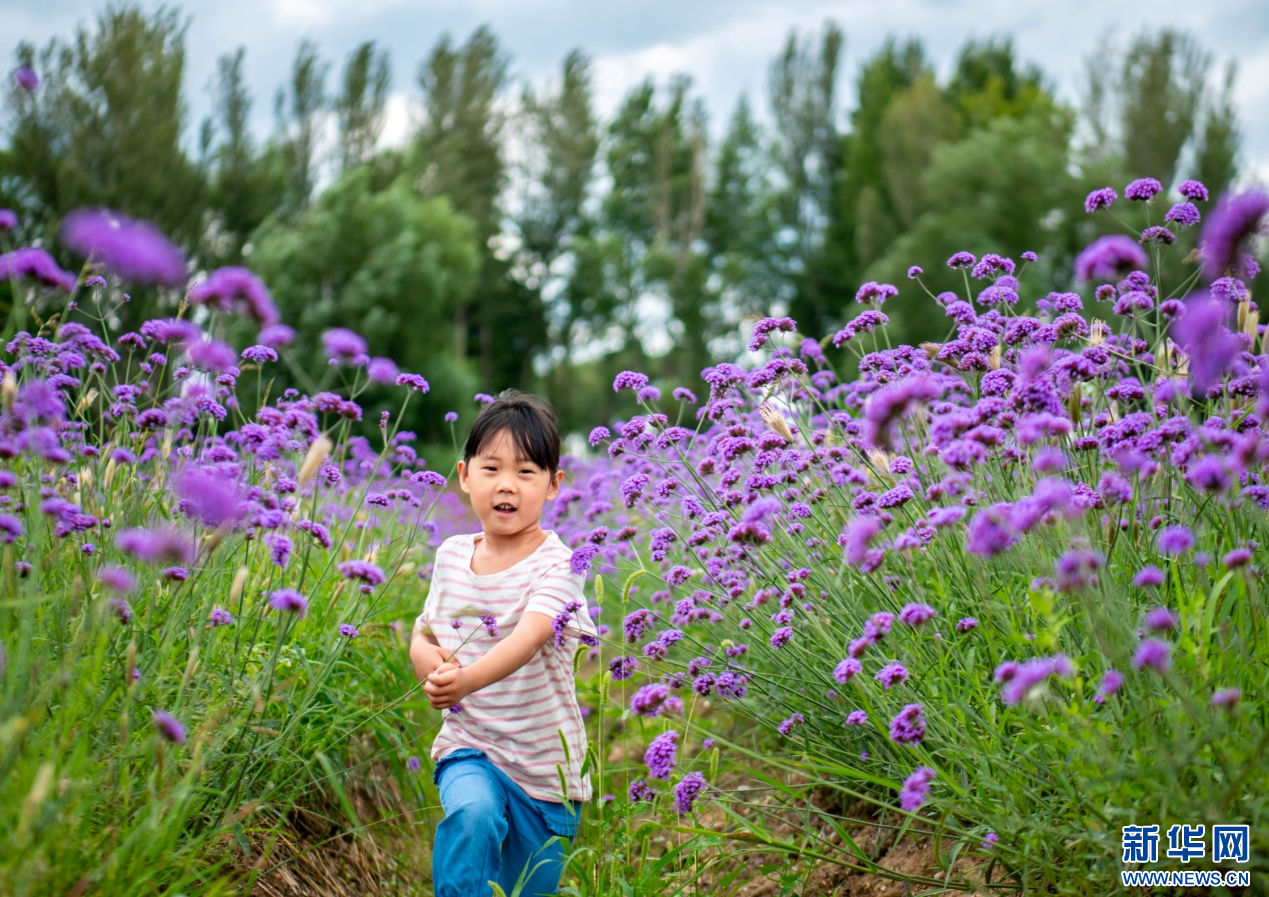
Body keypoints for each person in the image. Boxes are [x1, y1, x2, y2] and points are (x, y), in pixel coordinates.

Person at [410, 389, 598, 897]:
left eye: (526, 472)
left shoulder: (560, 564)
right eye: (491, 469)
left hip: (546, 777)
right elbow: (423, 630)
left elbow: (531, 635)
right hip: (472, 747)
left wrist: (467, 679)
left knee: (525, 889)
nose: (506, 485)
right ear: (465, 475)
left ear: (555, 484)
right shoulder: (451, 555)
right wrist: (430, 665)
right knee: (471, 814)